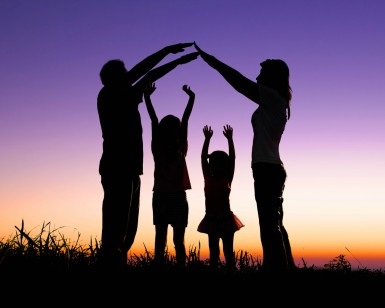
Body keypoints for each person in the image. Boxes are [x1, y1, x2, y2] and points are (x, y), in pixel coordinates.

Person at [194, 42, 296, 273]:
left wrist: (212, 61)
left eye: (261, 72)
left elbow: (238, 82)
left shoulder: (271, 97)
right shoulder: (274, 101)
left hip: (267, 169)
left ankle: (274, 268)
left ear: (270, 77)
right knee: (275, 223)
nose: (257, 75)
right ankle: (285, 266)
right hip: (270, 168)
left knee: (269, 225)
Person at [97, 43, 198, 269]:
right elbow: (147, 73)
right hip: (118, 168)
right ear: (117, 78)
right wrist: (172, 57)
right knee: (117, 225)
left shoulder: (118, 93)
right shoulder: (112, 95)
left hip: (130, 170)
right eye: (125, 75)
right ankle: (109, 263)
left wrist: (167, 53)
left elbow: (144, 73)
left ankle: (116, 261)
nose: (130, 78)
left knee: (126, 227)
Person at [143, 82, 195, 268]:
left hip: (170, 197)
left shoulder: (176, 147)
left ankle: (171, 266)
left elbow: (158, 120)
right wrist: (147, 98)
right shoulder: (161, 147)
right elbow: (154, 120)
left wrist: (191, 99)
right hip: (168, 197)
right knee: (166, 239)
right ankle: (165, 266)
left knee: (171, 240)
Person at [197, 124, 244, 271]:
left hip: (225, 219)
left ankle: (230, 270)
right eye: (215, 163)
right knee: (213, 252)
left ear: (225, 165)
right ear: (211, 166)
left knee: (228, 252)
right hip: (211, 219)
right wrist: (207, 140)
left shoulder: (227, 178)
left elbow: (233, 159)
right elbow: (203, 158)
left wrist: (230, 139)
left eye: (221, 163)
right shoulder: (208, 177)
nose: (217, 167)